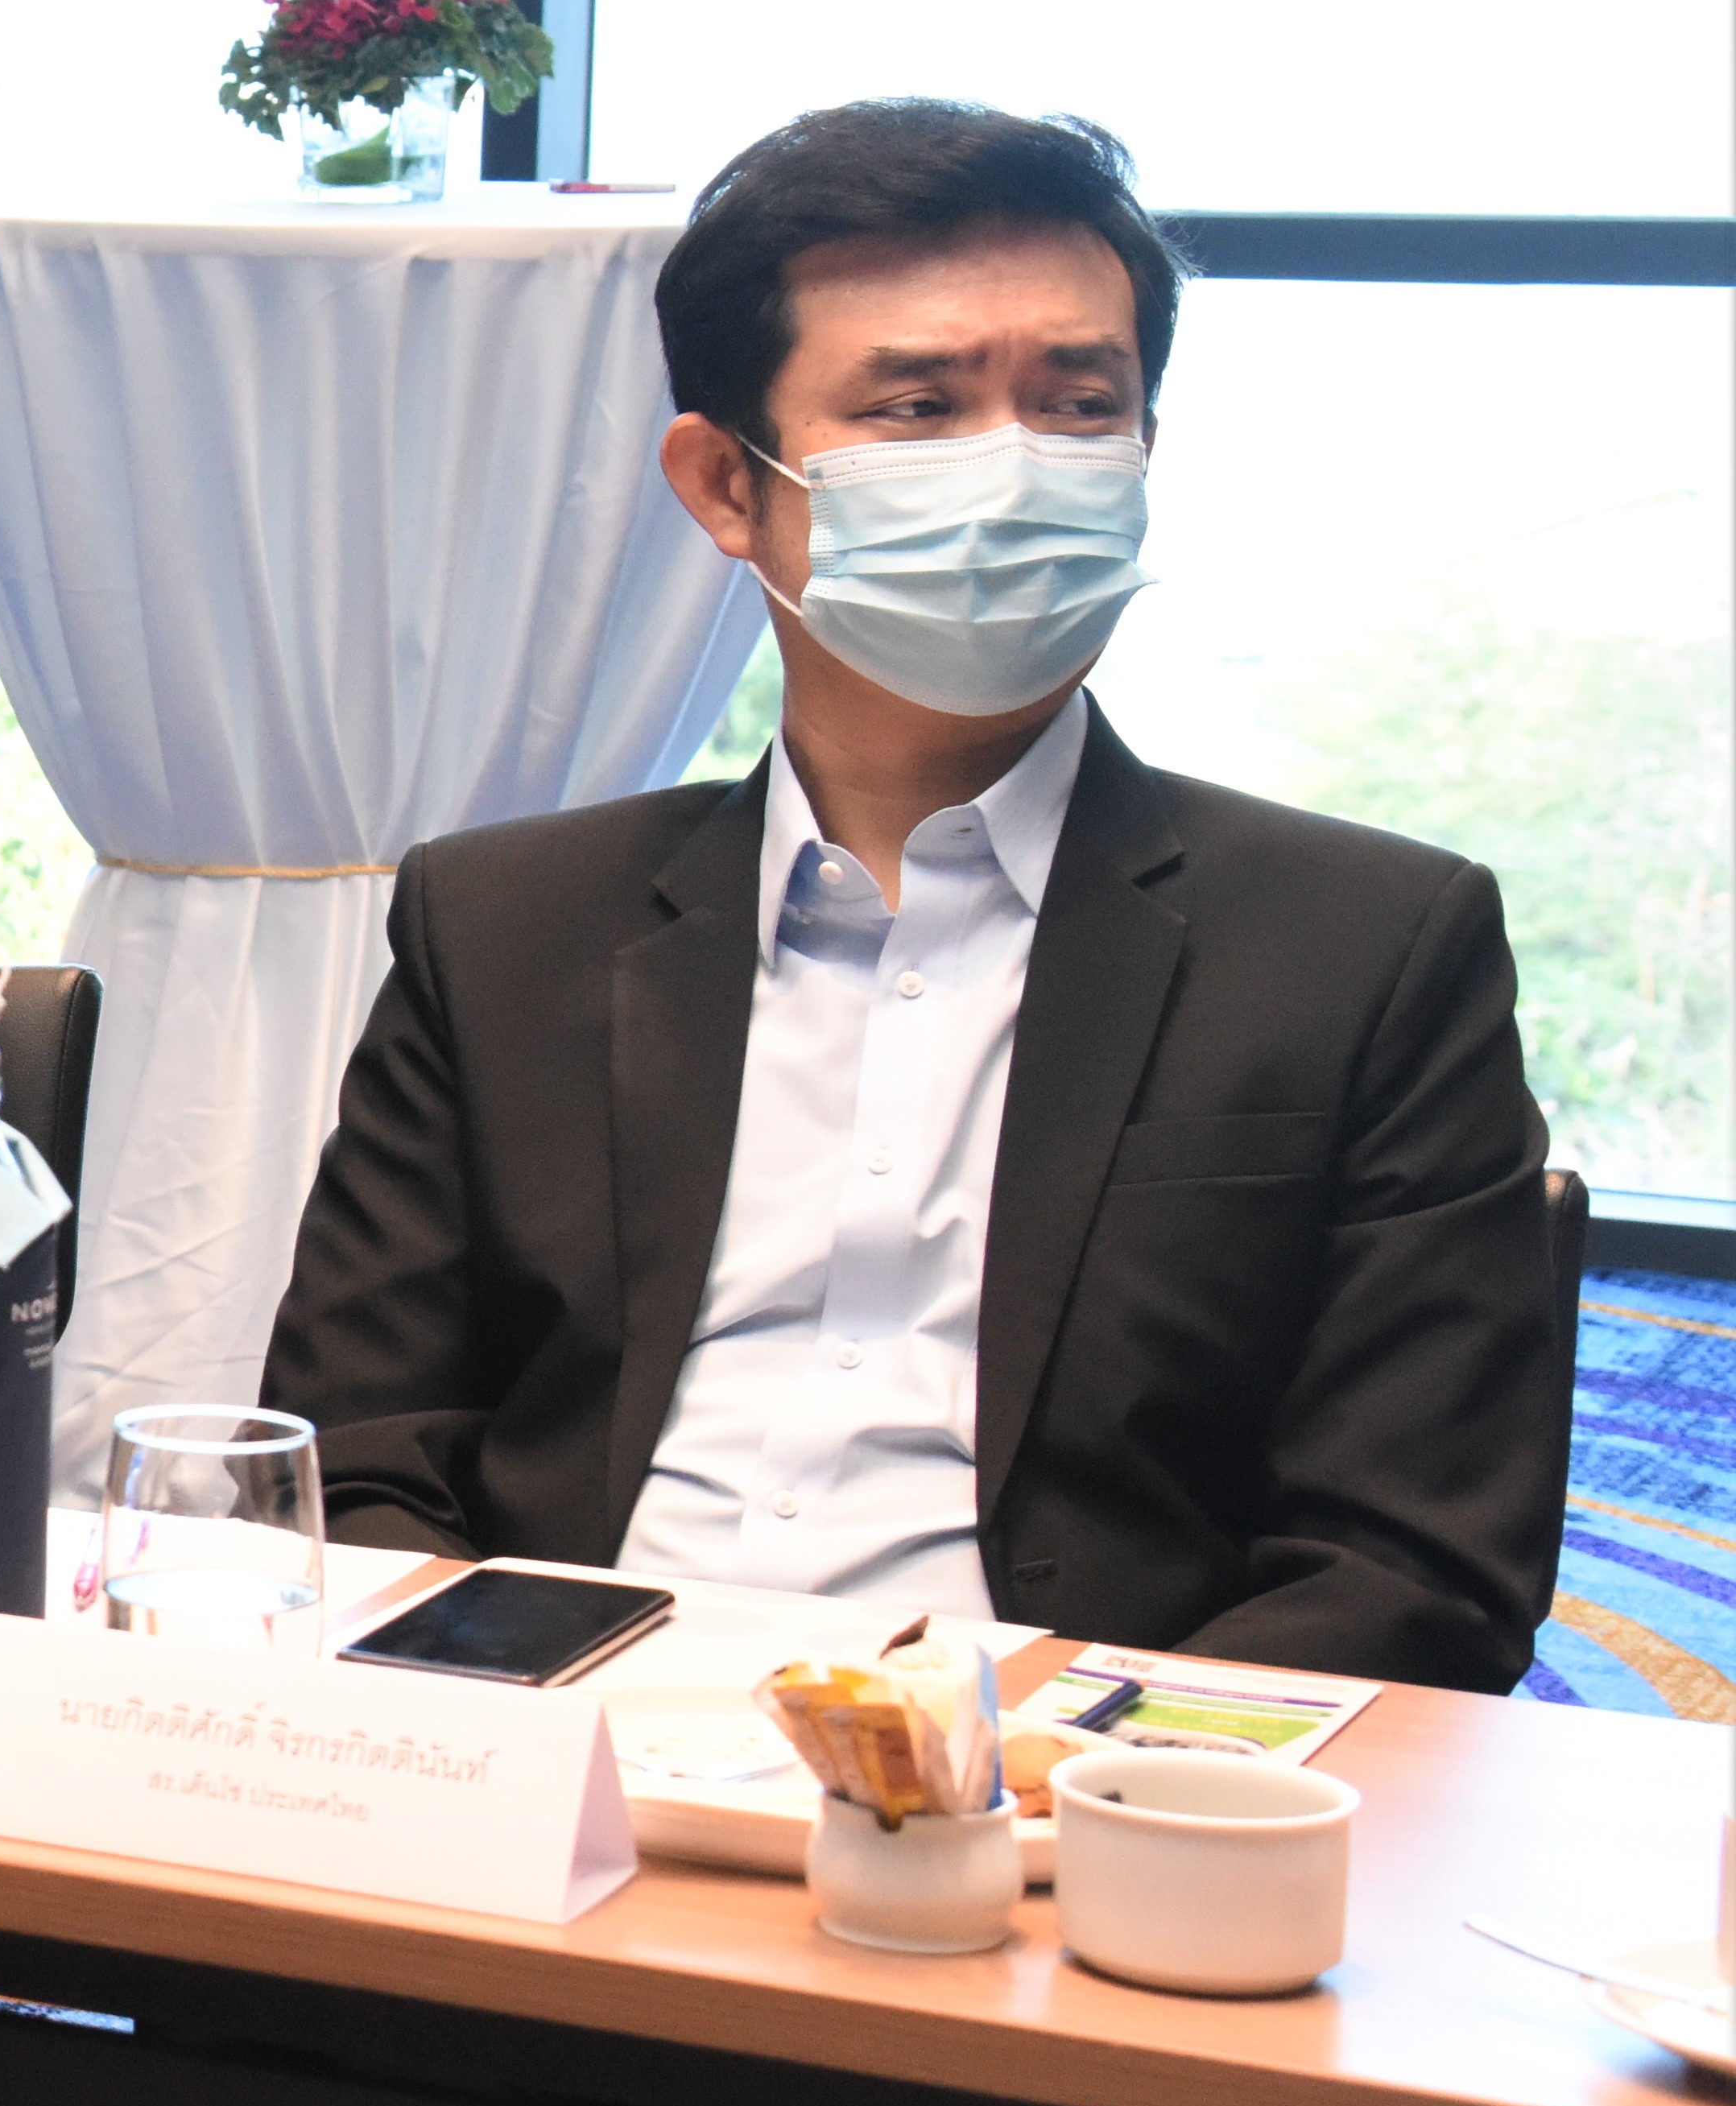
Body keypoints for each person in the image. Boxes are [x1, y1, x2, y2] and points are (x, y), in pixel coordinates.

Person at [261, 98, 1563, 1686]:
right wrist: (495, 1734)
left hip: (1062, 1789)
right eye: (919, 406)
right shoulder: (504, 925)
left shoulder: (1367, 949)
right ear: (723, 485)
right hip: (549, 1740)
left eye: (1077, 404)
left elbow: (1412, 1570)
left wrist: (1022, 1781)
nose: (1011, 470)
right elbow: (356, 1462)